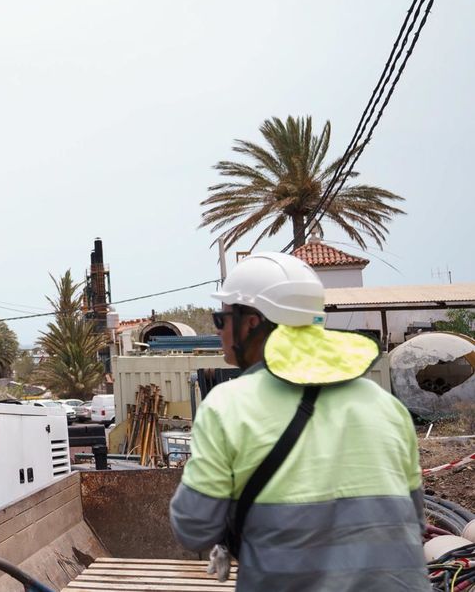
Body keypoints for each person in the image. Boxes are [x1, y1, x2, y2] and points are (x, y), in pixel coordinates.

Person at [169, 252, 427, 590]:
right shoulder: (387, 406)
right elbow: (415, 519)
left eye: (221, 319)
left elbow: (193, 528)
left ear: (250, 322)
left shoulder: (227, 405)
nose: (218, 331)